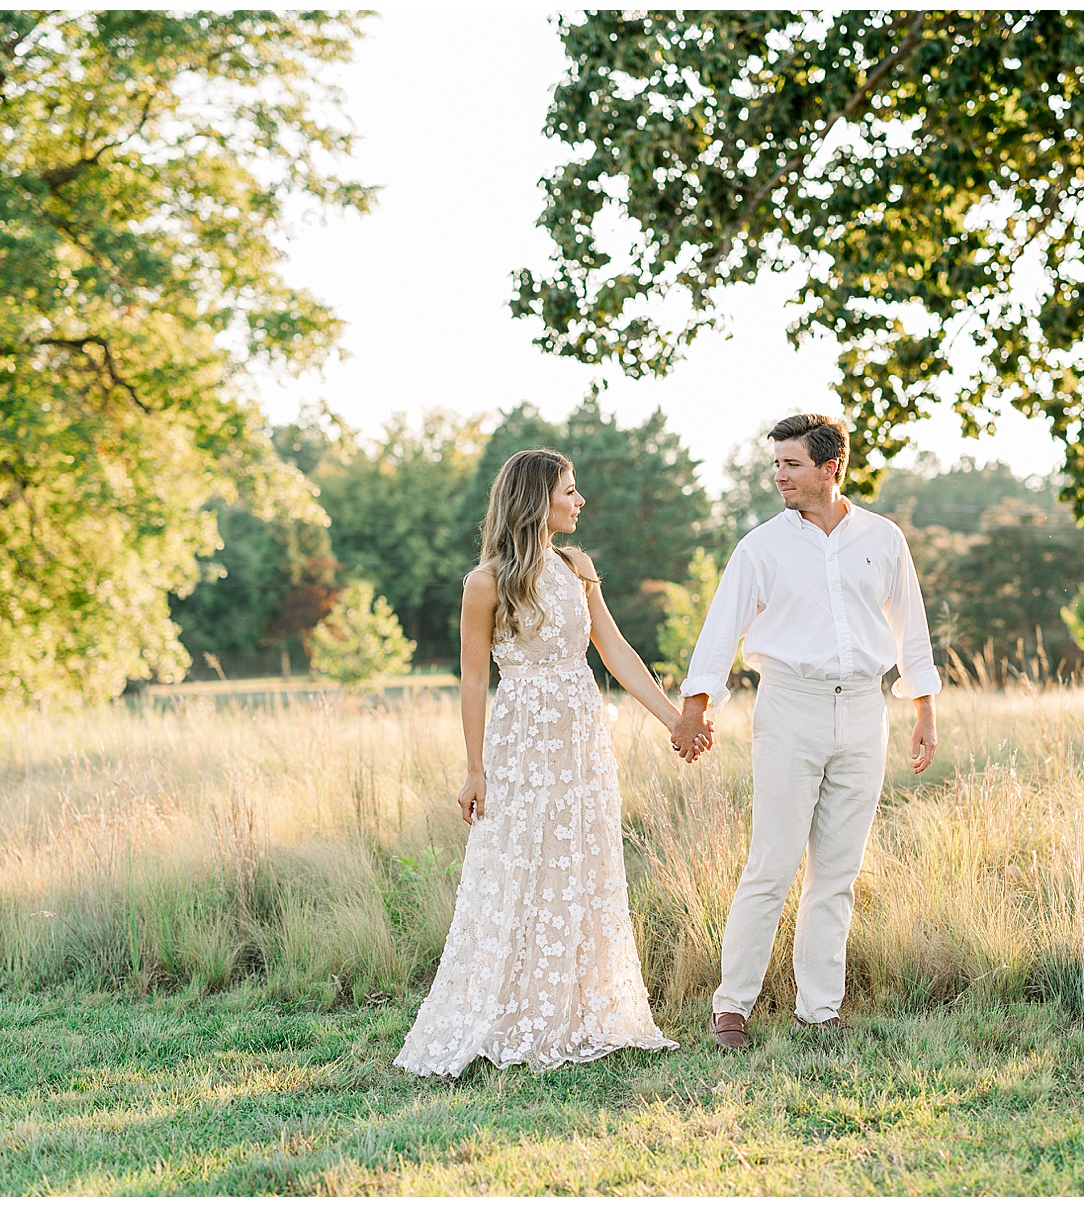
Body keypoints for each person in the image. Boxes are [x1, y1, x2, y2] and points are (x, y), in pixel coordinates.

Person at [394, 448, 691, 1077]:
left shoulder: (577, 567)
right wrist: (474, 768)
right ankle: (512, 1010)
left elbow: (613, 651)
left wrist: (673, 718)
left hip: (581, 737)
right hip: (522, 740)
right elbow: (474, 680)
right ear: (537, 501)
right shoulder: (488, 582)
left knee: (581, 860)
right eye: (570, 491)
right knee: (519, 865)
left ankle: (578, 1005)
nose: (579, 501)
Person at [671, 413, 941, 1052]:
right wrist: (694, 705)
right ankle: (731, 1006)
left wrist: (924, 710)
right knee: (772, 862)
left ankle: (819, 1010)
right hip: (789, 708)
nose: (779, 476)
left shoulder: (883, 538)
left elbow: (912, 628)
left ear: (831, 468)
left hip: (864, 712)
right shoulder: (760, 547)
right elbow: (720, 631)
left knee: (838, 873)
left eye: (791, 464)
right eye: (776, 465)